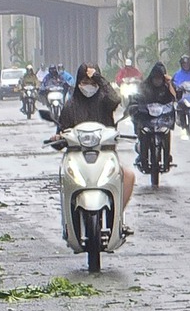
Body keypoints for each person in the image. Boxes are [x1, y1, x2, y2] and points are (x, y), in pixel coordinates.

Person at [53, 63, 135, 215]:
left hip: (104, 156)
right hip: (78, 159)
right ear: (78, 83)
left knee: (128, 177)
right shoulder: (70, 106)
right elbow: (60, 136)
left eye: (93, 83)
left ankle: (117, 217)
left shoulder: (105, 102)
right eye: (85, 82)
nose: (89, 86)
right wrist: (57, 138)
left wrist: (98, 77)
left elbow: (115, 99)